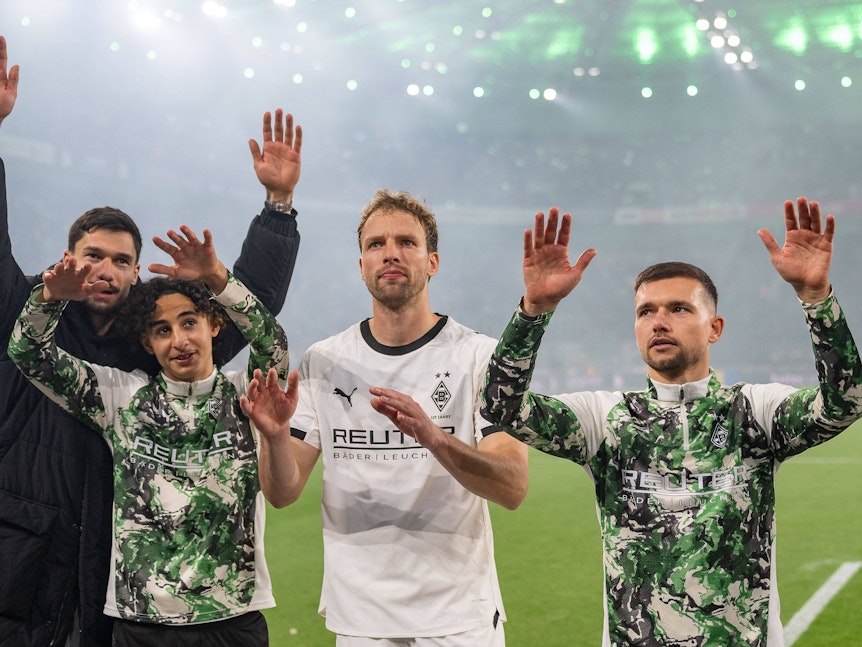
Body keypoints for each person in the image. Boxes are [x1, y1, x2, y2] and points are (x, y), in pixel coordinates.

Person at [0, 35, 303, 646]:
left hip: (123, 582)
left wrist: (277, 207)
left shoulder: (146, 355)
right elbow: (26, 347)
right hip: (22, 549)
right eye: (93, 256)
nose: (105, 270)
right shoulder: (27, 308)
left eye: (121, 260)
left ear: (138, 272)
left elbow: (251, 317)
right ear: (68, 258)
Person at [479, 200, 862, 646]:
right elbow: (499, 407)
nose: (659, 321)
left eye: (678, 309)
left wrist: (817, 299)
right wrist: (534, 310)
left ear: (714, 327)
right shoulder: (605, 419)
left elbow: (846, 402)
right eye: (646, 312)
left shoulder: (754, 411)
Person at [241, 189, 529, 646]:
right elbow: (282, 492)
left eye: (406, 243)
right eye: (375, 244)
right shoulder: (325, 361)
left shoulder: (479, 357)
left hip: (456, 619)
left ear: (432, 262)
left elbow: (512, 486)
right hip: (361, 623)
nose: (390, 253)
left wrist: (435, 438)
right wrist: (274, 438)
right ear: (361, 266)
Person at [8, 224, 297, 646]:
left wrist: (217, 276)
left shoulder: (246, 395)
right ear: (147, 341)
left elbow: (273, 344)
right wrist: (50, 298)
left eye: (189, 322)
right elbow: (27, 352)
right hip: (140, 623)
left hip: (233, 617)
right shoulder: (119, 396)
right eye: (162, 330)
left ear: (214, 324)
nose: (178, 340)